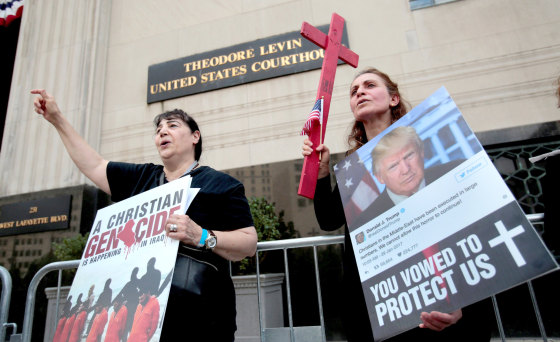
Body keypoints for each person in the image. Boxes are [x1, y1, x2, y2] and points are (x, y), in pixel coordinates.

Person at [32, 89, 257, 341]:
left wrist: (202, 235)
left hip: (203, 320)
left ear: (195, 136)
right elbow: (94, 165)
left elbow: (248, 243)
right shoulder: (142, 178)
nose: (162, 131)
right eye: (158, 128)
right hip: (140, 326)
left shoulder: (222, 184)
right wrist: (57, 120)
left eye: (172, 125)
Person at [302, 68, 491, 341]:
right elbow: (329, 220)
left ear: (394, 99)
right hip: (383, 305)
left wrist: (462, 297)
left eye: (369, 85)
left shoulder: (433, 147)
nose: (360, 92)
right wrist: (322, 175)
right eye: (354, 91)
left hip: (447, 295)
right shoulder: (354, 167)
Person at [351, 126, 464, 228]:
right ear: (379, 177)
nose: (406, 169)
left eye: (409, 155)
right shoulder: (366, 222)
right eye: (393, 166)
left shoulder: (457, 170)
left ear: (421, 152)